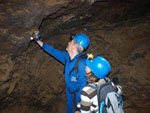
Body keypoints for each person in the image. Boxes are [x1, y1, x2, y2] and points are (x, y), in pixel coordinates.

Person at [33, 30, 90, 113]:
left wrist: (79, 107)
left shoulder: (82, 64)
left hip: (78, 98)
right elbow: (52, 51)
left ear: (75, 46)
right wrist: (37, 40)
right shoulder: (67, 57)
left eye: (71, 41)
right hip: (70, 94)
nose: (68, 42)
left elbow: (85, 87)